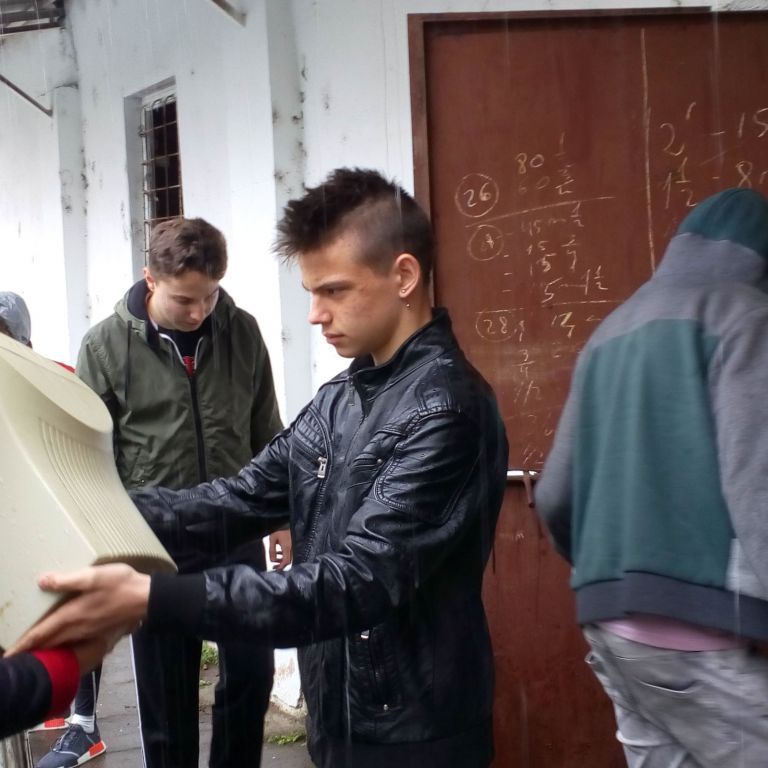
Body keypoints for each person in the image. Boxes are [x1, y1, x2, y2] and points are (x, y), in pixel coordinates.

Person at [12, 168, 509, 768]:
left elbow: (353, 582)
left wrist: (151, 596)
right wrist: (69, 512)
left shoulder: (446, 410)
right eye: (310, 293)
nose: (315, 315)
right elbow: (238, 498)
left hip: (413, 733)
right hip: (341, 714)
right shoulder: (341, 397)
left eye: (333, 290)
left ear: (403, 276)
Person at [36, 217, 290, 768]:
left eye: (210, 296)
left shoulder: (242, 331)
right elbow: (89, 456)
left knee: (252, 675)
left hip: (237, 530)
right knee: (167, 699)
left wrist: (280, 517)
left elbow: (267, 430)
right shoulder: (105, 347)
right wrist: (102, 542)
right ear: (150, 278)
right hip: (155, 542)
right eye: (184, 300)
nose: (199, 312)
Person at [535, 188, 768, 767]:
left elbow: (555, 492)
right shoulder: (746, 317)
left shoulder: (610, 329)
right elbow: (756, 486)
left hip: (609, 624)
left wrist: (607, 570)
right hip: (700, 629)